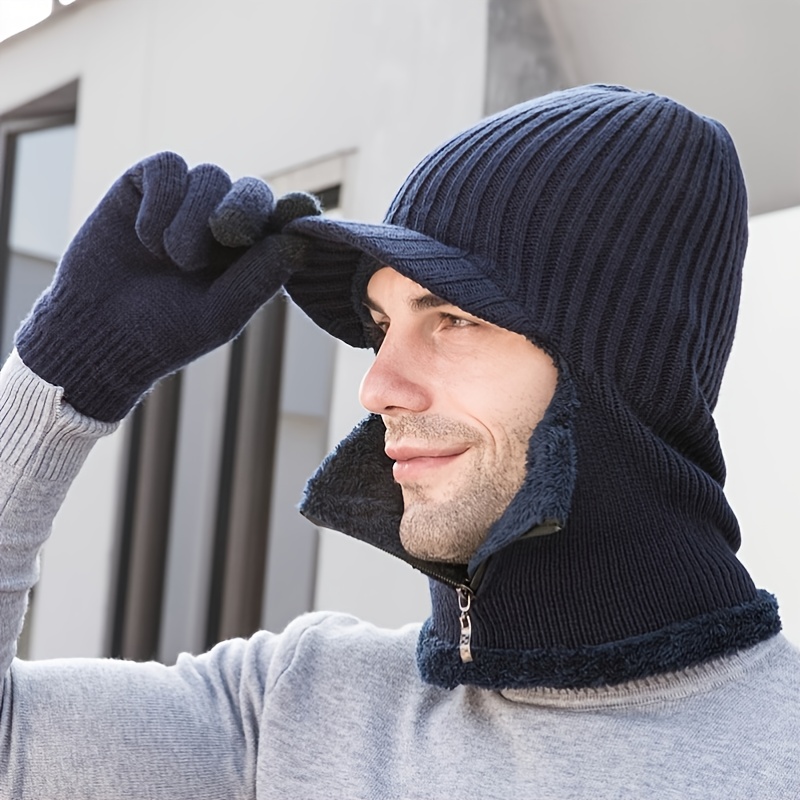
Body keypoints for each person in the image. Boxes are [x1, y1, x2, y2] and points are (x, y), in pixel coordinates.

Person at [0, 84, 798, 798]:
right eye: (382, 326)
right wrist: (63, 375)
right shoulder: (295, 707)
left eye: (453, 319)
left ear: (622, 365)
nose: (376, 388)